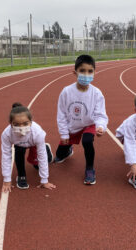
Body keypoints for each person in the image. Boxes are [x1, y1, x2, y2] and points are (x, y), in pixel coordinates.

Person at [54, 54, 108, 185]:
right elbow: (61, 114)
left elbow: (101, 114)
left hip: (88, 125)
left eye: (90, 71)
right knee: (59, 156)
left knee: (87, 140)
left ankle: (90, 169)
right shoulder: (66, 92)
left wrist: (101, 126)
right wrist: (64, 133)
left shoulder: (97, 93)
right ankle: (67, 150)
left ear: (95, 72)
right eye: (82, 70)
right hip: (72, 126)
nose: (86, 74)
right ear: (75, 72)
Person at [1, 103, 56, 191]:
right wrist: (7, 179)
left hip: (33, 142)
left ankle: (45, 147)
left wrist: (44, 180)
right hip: (19, 145)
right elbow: (6, 156)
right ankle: (21, 175)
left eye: (25, 123)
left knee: (37, 165)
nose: (21, 127)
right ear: (10, 124)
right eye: (16, 124)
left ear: (31, 122)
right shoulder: (7, 134)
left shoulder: (37, 132)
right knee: (19, 150)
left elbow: (42, 156)